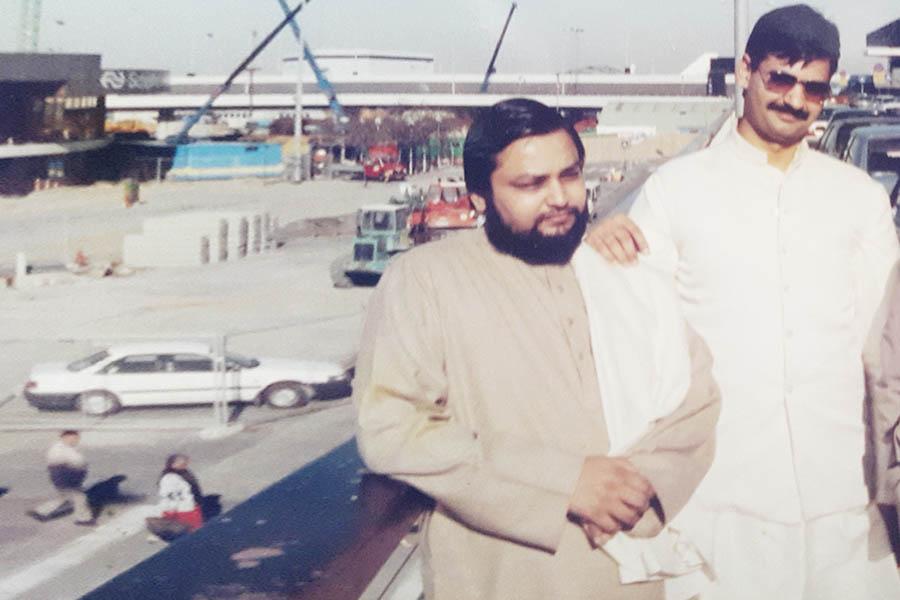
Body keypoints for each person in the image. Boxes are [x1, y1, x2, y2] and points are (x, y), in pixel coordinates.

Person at [587, 5, 900, 598]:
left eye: (812, 86)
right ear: (746, 70)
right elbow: (626, 330)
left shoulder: (856, 198)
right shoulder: (677, 191)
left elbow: (886, 352)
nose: (794, 99)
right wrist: (593, 244)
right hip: (719, 509)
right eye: (780, 78)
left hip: (843, 506)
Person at [354, 97, 721, 599]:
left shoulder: (621, 270)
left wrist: (642, 489)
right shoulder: (424, 281)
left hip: (629, 572)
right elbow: (392, 429)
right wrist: (567, 482)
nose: (560, 198)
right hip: (500, 575)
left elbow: (696, 398)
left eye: (568, 176)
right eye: (531, 184)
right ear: (479, 195)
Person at [33, 430, 94, 525]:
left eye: (77, 438)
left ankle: (41, 511)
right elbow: (73, 463)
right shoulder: (60, 449)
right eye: (73, 438)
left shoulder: (64, 448)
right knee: (80, 497)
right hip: (65, 478)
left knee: (63, 498)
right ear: (65, 438)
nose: (76, 440)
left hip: (63, 477)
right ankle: (84, 519)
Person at [157, 454, 204, 532]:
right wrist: (170, 513)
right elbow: (170, 497)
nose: (184, 465)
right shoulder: (169, 478)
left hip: (192, 507)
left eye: (185, 463)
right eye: (182, 463)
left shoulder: (184, 473)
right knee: (192, 532)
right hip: (184, 511)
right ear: (172, 464)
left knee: (197, 531)